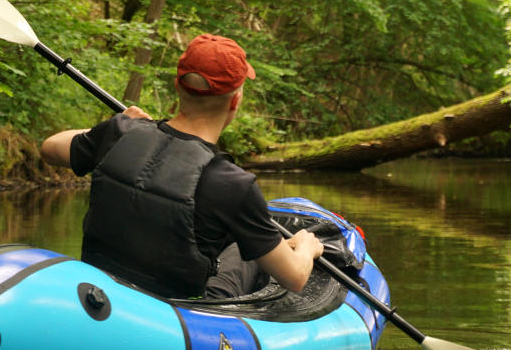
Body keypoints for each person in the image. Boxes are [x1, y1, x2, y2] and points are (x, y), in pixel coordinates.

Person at [40, 33, 324, 299]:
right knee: (247, 244)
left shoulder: (120, 133)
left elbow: (50, 147)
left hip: (101, 294)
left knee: (240, 242)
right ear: (235, 101)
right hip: (179, 317)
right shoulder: (234, 184)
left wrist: (116, 125)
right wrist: (306, 247)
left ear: (177, 86)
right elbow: (295, 278)